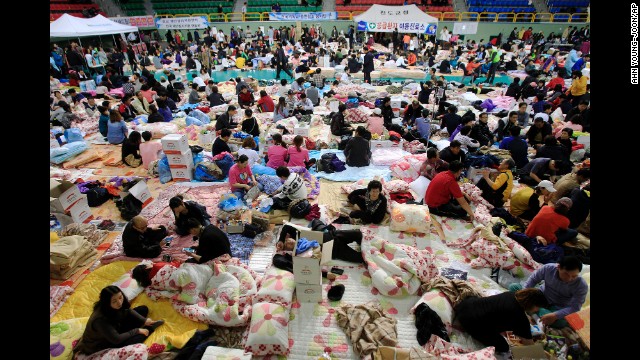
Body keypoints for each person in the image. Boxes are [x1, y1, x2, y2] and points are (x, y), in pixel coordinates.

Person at [73, 286, 165, 357]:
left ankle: (145, 325)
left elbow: (127, 310)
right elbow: (116, 339)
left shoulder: (117, 305)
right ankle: (150, 328)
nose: (119, 302)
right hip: (103, 343)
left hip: (115, 327)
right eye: (114, 301)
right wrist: (137, 330)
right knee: (140, 336)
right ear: (107, 303)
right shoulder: (100, 320)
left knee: (142, 309)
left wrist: (144, 320)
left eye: (120, 297)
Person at [454, 289, 547, 355]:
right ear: (532, 304)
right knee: (504, 347)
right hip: (470, 321)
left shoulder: (512, 294)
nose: (537, 310)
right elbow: (529, 344)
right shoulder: (519, 318)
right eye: (538, 307)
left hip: (465, 306)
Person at [510, 256, 588, 329]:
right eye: (566, 274)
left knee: (561, 323)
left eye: (574, 276)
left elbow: (575, 307)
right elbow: (533, 280)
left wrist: (555, 315)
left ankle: (530, 310)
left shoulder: (581, 285)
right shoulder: (549, 268)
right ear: (558, 267)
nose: (569, 279)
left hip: (557, 307)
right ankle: (532, 311)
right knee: (514, 287)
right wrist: (524, 294)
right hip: (541, 296)